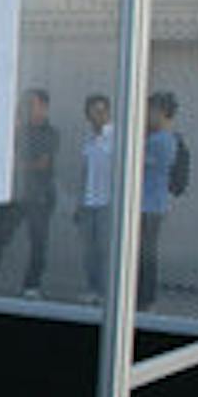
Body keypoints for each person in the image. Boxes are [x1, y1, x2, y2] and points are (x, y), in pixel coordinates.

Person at [0, 87, 58, 297]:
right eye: (25, 104)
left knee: (38, 242)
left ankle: (31, 286)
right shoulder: (18, 131)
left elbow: (42, 164)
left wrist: (18, 164)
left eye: (33, 104)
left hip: (39, 196)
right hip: (17, 193)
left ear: (44, 108)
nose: (28, 108)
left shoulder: (50, 133)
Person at [139, 90, 181, 308]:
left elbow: (140, 165)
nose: (147, 115)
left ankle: (146, 298)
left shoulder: (161, 141)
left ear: (163, 113)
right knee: (143, 252)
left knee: (146, 253)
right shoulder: (155, 138)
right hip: (149, 205)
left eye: (151, 111)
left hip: (150, 206)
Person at [76, 92, 113, 302]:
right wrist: (79, 202)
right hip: (89, 201)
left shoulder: (117, 137)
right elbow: (85, 170)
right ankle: (93, 289)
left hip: (107, 202)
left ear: (108, 112)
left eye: (100, 111)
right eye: (92, 112)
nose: (96, 116)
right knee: (89, 250)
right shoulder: (89, 138)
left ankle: (106, 291)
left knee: (103, 249)